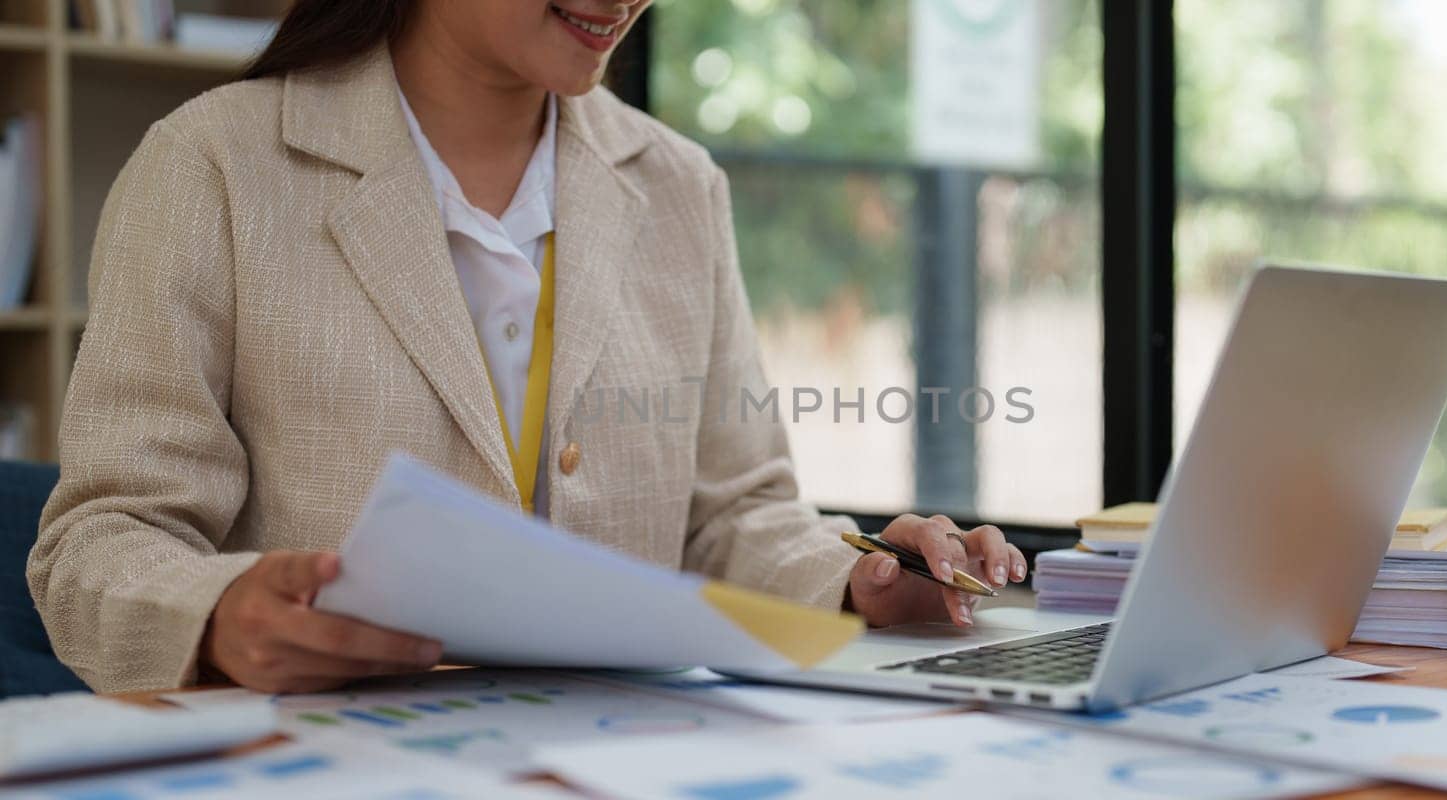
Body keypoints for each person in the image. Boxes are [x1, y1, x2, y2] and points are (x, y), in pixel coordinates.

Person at [28, 0, 1027, 694]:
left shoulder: (680, 186)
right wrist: (219, 612)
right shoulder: (213, 166)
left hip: (611, 760)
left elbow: (733, 516)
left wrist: (859, 577)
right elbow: (96, 546)